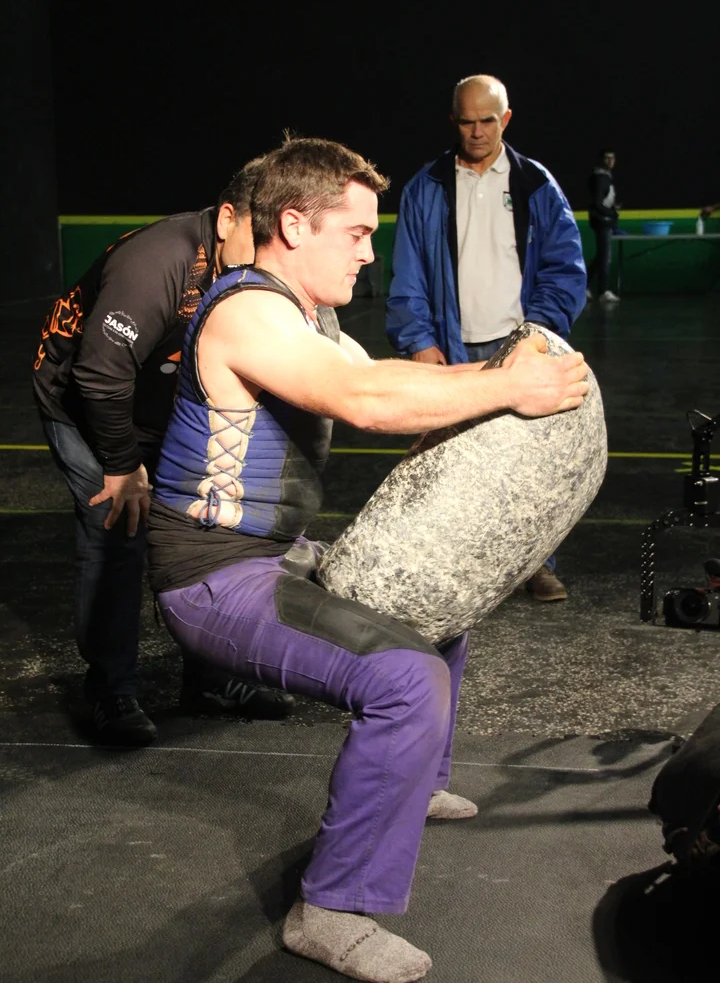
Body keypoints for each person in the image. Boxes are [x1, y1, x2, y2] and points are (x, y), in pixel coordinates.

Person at [147, 135, 589, 981]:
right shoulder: (248, 312)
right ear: (294, 225)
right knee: (406, 679)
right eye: (355, 232)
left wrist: (504, 369)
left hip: (272, 555)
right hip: (211, 577)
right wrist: (508, 387)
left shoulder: (310, 320)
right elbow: (365, 401)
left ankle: (412, 782)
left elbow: (397, 384)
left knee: (434, 598)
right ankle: (331, 911)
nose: (369, 252)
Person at [32, 159, 294, 746]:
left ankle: (212, 681)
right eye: (257, 237)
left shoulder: (253, 266)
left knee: (208, 531)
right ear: (226, 219)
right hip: (85, 402)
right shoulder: (158, 261)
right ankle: (111, 691)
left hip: (166, 402)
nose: (266, 258)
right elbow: (100, 376)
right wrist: (123, 466)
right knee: (118, 532)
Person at [385, 74, 586, 603]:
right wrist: (419, 340)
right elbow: (407, 275)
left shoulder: (536, 184)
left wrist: (538, 335)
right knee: (447, 467)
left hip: (522, 349)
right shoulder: (425, 187)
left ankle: (538, 566)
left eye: (488, 121)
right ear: (453, 121)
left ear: (506, 119)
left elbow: (565, 269)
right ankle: (458, 573)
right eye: (467, 122)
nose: (477, 132)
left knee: (531, 466)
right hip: (450, 351)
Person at [587, 149, 620, 302]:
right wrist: (613, 213)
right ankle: (603, 291)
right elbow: (597, 203)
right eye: (607, 158)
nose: (610, 161)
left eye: (612, 158)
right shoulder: (600, 178)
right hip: (602, 221)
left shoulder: (606, 177)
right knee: (605, 257)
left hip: (604, 220)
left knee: (601, 256)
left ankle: (584, 286)